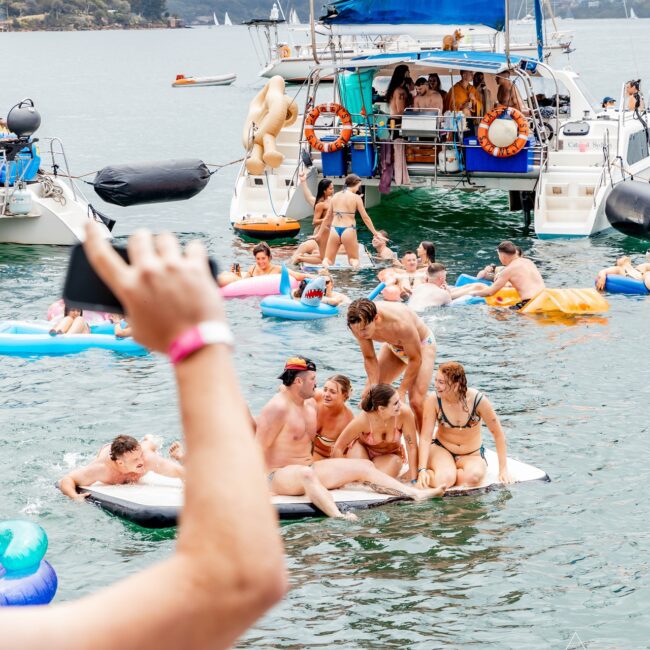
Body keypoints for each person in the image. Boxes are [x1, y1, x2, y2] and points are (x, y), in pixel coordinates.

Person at [8, 221, 286, 648]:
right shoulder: (103, 469)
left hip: (142, 452)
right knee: (147, 452)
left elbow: (182, 478)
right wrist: (195, 336)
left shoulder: (148, 461)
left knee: (153, 450)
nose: (139, 463)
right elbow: (243, 578)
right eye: (132, 460)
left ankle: (152, 442)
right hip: (113, 455)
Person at [256, 356, 444, 519]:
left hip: (309, 467)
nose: (317, 384)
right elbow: (257, 448)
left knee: (364, 466)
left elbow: (336, 394)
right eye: (313, 379)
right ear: (298, 382)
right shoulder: (277, 408)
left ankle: (415, 494)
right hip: (278, 475)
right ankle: (339, 516)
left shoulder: (310, 403)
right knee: (306, 474)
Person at [417, 361, 512, 490]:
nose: (436, 386)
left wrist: (503, 469)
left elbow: (498, 433)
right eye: (436, 380)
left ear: (456, 385)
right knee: (443, 481)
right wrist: (421, 469)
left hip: (471, 453)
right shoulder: (434, 400)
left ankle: (450, 473)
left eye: (441, 382)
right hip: (442, 448)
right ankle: (443, 473)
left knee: (474, 477)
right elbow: (425, 437)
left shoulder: (478, 401)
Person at [347, 298, 436, 429]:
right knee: (368, 396)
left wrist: (402, 390)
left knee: (415, 400)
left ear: (376, 318)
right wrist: (373, 386)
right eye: (357, 330)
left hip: (422, 346)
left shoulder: (401, 324)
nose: (361, 334)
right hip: (394, 347)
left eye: (364, 329)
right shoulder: (357, 324)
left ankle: (425, 440)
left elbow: (415, 359)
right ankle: (379, 437)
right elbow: (370, 357)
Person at [332, 384, 418, 482]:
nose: (400, 405)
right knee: (360, 478)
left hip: (390, 454)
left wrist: (413, 475)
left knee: (377, 480)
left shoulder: (404, 413)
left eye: (399, 400)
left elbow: (412, 447)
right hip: (362, 449)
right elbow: (338, 447)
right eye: (395, 403)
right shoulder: (364, 419)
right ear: (381, 408)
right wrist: (341, 474)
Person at [59, 434, 184, 501]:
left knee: (148, 447)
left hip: (137, 449)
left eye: (140, 456)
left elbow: (181, 472)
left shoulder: (146, 458)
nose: (141, 461)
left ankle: (149, 439)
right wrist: (74, 496)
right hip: (108, 451)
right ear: (120, 463)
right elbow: (67, 480)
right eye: (136, 460)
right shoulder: (102, 470)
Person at [322, 174, 387, 269]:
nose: (358, 189)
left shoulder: (335, 196)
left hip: (334, 230)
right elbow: (365, 218)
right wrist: (375, 233)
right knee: (354, 260)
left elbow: (327, 218)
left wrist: (319, 234)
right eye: (358, 186)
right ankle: (354, 280)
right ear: (355, 184)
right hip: (348, 230)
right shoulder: (356, 198)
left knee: (328, 259)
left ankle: (325, 270)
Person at [469, 241, 545, 310]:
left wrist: (473, 293)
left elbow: (490, 292)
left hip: (529, 304)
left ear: (502, 256)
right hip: (544, 299)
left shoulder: (508, 270)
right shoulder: (529, 262)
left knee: (496, 311)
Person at [312, 374, 356, 460]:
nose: (326, 395)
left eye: (333, 392)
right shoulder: (315, 397)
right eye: (325, 390)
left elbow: (345, 453)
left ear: (344, 395)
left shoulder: (348, 421)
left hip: (323, 458)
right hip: (301, 449)